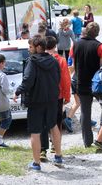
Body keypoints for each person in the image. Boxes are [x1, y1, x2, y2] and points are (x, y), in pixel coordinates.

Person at [14, 35, 63, 171]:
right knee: (53, 126)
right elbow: (58, 78)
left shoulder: (32, 62)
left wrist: (18, 91)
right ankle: (58, 156)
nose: (29, 49)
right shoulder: (54, 61)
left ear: (39, 47)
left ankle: (36, 163)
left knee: (35, 132)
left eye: (30, 47)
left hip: (36, 101)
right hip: (52, 99)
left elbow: (28, 80)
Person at [70, 22, 102, 147]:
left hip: (81, 83)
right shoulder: (100, 46)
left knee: (85, 113)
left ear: (85, 31)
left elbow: (74, 65)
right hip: (97, 85)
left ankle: (87, 142)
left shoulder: (75, 45)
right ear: (97, 33)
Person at [40, 36, 71, 160]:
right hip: (57, 96)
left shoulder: (38, 59)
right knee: (56, 122)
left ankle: (42, 150)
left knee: (42, 122)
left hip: (41, 95)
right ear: (55, 46)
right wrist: (67, 96)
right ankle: (55, 146)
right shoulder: (61, 60)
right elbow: (65, 80)